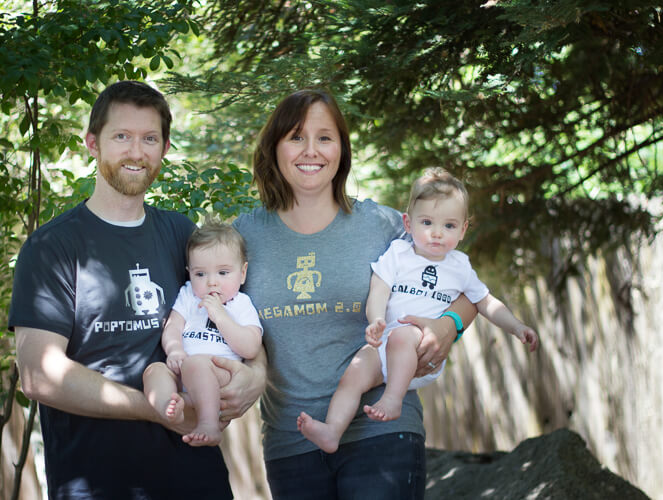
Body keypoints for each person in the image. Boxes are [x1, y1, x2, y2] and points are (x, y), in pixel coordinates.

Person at [232, 89, 478, 499]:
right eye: (295, 136)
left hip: (382, 431)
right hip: (292, 441)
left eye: (325, 137)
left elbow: (468, 291)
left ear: (342, 150)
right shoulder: (244, 236)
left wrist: (448, 326)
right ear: (273, 147)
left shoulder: (381, 225)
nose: (311, 150)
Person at [9, 81, 237, 499]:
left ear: (165, 148)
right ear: (93, 143)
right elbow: (39, 375)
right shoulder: (53, 248)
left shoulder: (181, 234)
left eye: (149, 138)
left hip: (196, 476)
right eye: (122, 137)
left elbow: (238, 319)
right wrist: (158, 411)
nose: (137, 152)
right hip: (97, 482)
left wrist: (253, 380)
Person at [297, 167, 539, 453]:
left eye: (449, 226)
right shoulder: (398, 254)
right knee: (354, 374)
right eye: (427, 222)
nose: (437, 233)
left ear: (462, 230)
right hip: (384, 345)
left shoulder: (459, 267)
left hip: (421, 353)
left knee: (404, 335)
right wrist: (375, 319)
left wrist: (516, 326)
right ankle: (332, 431)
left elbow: (485, 302)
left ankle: (392, 398)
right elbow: (379, 289)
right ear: (408, 223)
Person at [143, 221, 263, 447]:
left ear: (242, 273)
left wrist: (220, 316)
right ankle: (170, 408)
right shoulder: (189, 295)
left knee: (196, 365)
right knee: (154, 370)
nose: (211, 282)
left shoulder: (240, 304)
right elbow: (173, 326)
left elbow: (250, 347)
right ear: (189, 273)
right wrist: (175, 349)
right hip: (184, 371)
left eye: (223, 272)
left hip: (219, 373)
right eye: (200, 274)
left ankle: (209, 425)